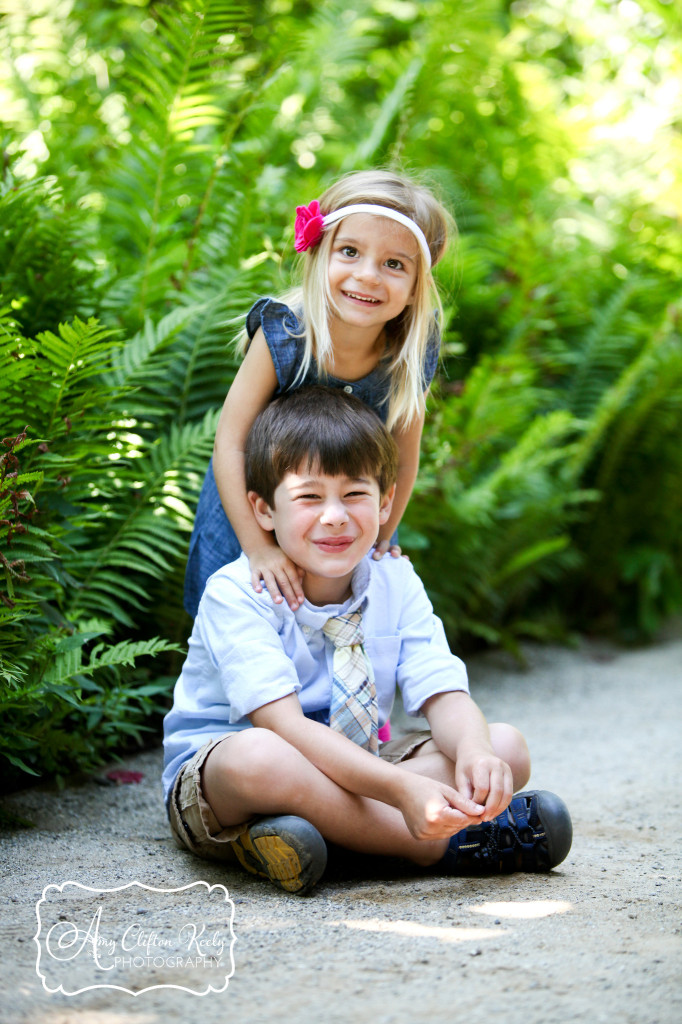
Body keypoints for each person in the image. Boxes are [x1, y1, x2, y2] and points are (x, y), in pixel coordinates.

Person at [164, 387, 572, 895]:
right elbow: (285, 728)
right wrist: (402, 790)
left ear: (384, 504)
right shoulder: (238, 591)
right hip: (228, 777)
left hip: (363, 762)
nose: (334, 515)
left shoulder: (393, 579)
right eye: (309, 497)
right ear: (264, 510)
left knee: (504, 748)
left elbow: (442, 688)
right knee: (260, 757)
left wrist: (473, 750)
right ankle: (436, 846)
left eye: (355, 494)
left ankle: (303, 840)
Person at [183, 169, 453, 620]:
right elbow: (230, 443)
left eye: (394, 264)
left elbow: (404, 459)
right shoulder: (285, 337)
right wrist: (258, 548)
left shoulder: (408, 357)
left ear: (414, 289)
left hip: (343, 521)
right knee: (243, 624)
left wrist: (383, 536)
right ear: (319, 254)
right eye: (350, 252)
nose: (367, 276)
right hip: (256, 517)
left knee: (337, 626)